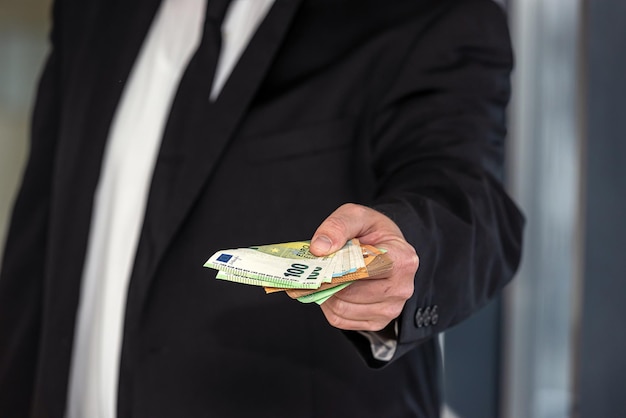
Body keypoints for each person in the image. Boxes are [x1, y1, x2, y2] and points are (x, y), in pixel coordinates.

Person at [0, 0, 524, 416]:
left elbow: (468, 196)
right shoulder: (92, 11)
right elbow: (37, 253)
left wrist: (407, 244)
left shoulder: (424, 12)